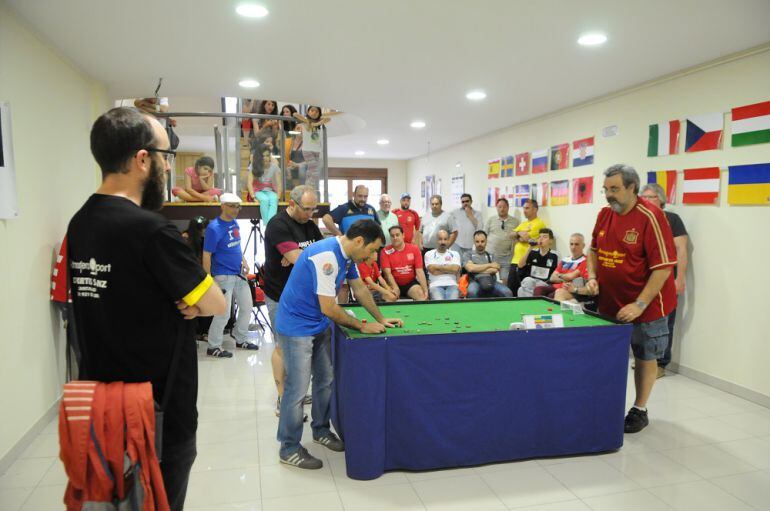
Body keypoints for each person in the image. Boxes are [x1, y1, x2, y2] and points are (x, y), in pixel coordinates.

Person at [67, 107, 227, 510]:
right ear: (143, 160)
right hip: (154, 414)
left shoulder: (81, 222)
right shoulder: (151, 230)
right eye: (163, 157)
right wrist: (188, 305)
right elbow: (214, 302)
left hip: (100, 405)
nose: (165, 169)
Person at [275, 219, 403, 469]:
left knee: (325, 380)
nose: (373, 255)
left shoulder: (348, 256)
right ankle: (288, 447)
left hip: (318, 322)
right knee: (297, 389)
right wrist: (362, 326)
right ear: (358, 241)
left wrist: (381, 318)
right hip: (296, 327)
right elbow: (330, 307)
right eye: (372, 249)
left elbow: (360, 290)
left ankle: (320, 430)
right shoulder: (327, 257)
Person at [586, 164, 677, 433]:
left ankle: (640, 408)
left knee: (644, 355)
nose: (608, 195)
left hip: (647, 304)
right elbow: (593, 250)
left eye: (614, 189)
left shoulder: (652, 217)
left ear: (631, 187)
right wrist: (592, 276)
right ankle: (606, 403)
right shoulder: (604, 215)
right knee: (610, 355)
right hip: (611, 302)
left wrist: (639, 304)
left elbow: (663, 267)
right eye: (605, 189)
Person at [263, 185, 325, 416]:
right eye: (306, 209)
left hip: (304, 297)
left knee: (301, 347)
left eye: (313, 209)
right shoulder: (278, 225)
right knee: (282, 346)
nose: (310, 214)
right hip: (280, 296)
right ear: (292, 204)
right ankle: (283, 397)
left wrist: (300, 256)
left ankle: (296, 390)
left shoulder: (309, 225)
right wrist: (299, 257)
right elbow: (300, 258)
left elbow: (319, 253)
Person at [640, 183, 689, 378]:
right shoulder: (640, 219)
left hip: (666, 280)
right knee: (644, 321)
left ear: (661, 200)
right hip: (643, 280)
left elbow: (681, 250)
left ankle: (660, 364)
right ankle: (645, 359)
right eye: (643, 196)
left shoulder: (672, 219)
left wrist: (680, 277)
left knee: (664, 322)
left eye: (650, 197)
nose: (645, 200)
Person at [203, 193, 260, 358]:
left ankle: (240, 338)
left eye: (238, 206)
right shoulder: (214, 228)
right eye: (232, 206)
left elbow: (236, 246)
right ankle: (213, 346)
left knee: (247, 306)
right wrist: (208, 281)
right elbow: (206, 255)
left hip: (238, 274)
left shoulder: (235, 223)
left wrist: (244, 261)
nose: (236, 210)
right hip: (222, 276)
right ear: (222, 206)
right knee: (223, 313)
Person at [182, 215, 213, 342]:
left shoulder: (202, 239)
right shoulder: (185, 238)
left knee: (202, 305)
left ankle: (202, 332)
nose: (205, 231)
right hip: (191, 277)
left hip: (197, 276)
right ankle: (197, 333)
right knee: (194, 306)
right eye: (204, 228)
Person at [508, 199, 547, 294]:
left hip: (526, 263)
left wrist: (518, 236)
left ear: (535, 210)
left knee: (523, 291)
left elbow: (526, 238)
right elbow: (510, 235)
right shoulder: (523, 223)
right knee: (511, 290)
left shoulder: (539, 224)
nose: (524, 210)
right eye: (524, 208)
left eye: (527, 208)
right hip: (514, 261)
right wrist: (519, 234)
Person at [381, 225, 429, 301]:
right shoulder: (385, 251)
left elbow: (419, 271)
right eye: (392, 236)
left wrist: (425, 290)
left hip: (410, 284)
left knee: (422, 296)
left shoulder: (414, 249)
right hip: (392, 283)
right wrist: (395, 287)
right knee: (389, 298)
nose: (395, 238)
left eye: (397, 235)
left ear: (403, 235)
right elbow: (387, 274)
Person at [464, 230, 514, 298]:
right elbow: (470, 269)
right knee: (472, 292)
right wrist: (489, 265)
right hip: (474, 282)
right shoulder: (468, 254)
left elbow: (494, 270)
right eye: (477, 241)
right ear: (474, 242)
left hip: (492, 281)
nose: (480, 244)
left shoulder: (492, 254)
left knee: (507, 292)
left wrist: (476, 268)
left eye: (482, 241)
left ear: (486, 241)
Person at [292, 106, 330, 191]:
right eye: (312, 110)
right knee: (315, 170)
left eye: (317, 112)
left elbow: (328, 119)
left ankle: (308, 186)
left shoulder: (319, 124)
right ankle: (309, 188)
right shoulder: (304, 122)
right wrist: (307, 121)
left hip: (317, 149)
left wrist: (316, 124)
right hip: (307, 149)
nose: (314, 113)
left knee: (311, 170)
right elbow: (295, 114)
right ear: (308, 112)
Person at [484, 197, 519, 282]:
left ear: (508, 207)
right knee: (489, 280)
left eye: (504, 207)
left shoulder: (515, 221)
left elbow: (518, 238)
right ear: (496, 208)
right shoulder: (490, 220)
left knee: (506, 280)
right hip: (491, 255)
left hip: (506, 256)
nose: (502, 209)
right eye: (499, 207)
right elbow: (483, 235)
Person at [547, 233, 590, 301]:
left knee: (551, 295)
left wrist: (559, 275)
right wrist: (564, 278)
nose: (573, 247)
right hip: (557, 285)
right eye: (571, 244)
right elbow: (552, 278)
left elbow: (570, 277)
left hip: (569, 289)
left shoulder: (586, 260)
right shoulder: (565, 259)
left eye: (576, 244)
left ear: (583, 246)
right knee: (539, 289)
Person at [516, 229, 559, 297]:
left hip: (544, 283)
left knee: (524, 287)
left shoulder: (555, 255)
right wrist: (529, 248)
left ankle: (529, 303)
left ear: (551, 241)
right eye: (539, 237)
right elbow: (520, 265)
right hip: (531, 280)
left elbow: (558, 272)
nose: (541, 239)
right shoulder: (533, 252)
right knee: (523, 287)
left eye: (544, 237)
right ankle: (531, 304)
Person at [247, 142, 282, 224]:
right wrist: (253, 197)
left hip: (270, 190)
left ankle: (270, 224)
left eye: (267, 155)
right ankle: (268, 224)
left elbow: (279, 184)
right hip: (257, 191)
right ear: (259, 157)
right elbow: (249, 183)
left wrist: (279, 196)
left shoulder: (274, 167)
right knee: (265, 200)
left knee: (274, 199)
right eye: (263, 156)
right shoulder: (253, 166)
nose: (266, 158)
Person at [423, 229, 461, 300]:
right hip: (435, 285)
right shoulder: (429, 254)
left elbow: (455, 270)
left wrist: (438, 267)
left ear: (448, 240)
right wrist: (449, 268)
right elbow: (432, 270)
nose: (443, 242)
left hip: (452, 284)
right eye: (440, 239)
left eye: (445, 239)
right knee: (439, 304)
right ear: (436, 240)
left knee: (452, 305)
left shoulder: (455, 254)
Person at [450, 193, 482, 263]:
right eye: (463, 202)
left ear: (471, 202)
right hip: (457, 244)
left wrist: (470, 215)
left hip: (470, 245)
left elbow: (479, 228)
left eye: (467, 201)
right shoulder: (455, 212)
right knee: (457, 264)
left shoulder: (478, 214)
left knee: (468, 265)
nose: (465, 203)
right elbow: (449, 225)